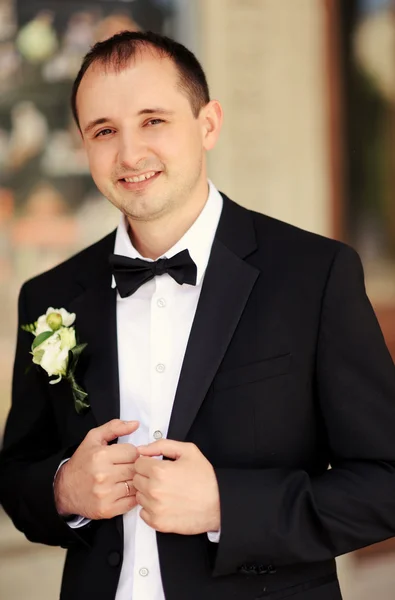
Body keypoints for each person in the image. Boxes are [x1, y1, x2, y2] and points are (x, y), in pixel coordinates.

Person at [1, 30, 395, 600]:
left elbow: (386, 482)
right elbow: (16, 476)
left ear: (208, 123)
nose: (130, 154)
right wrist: (63, 490)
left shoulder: (316, 274)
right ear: (82, 144)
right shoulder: (48, 296)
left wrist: (225, 506)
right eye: (104, 131)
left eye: (153, 120)